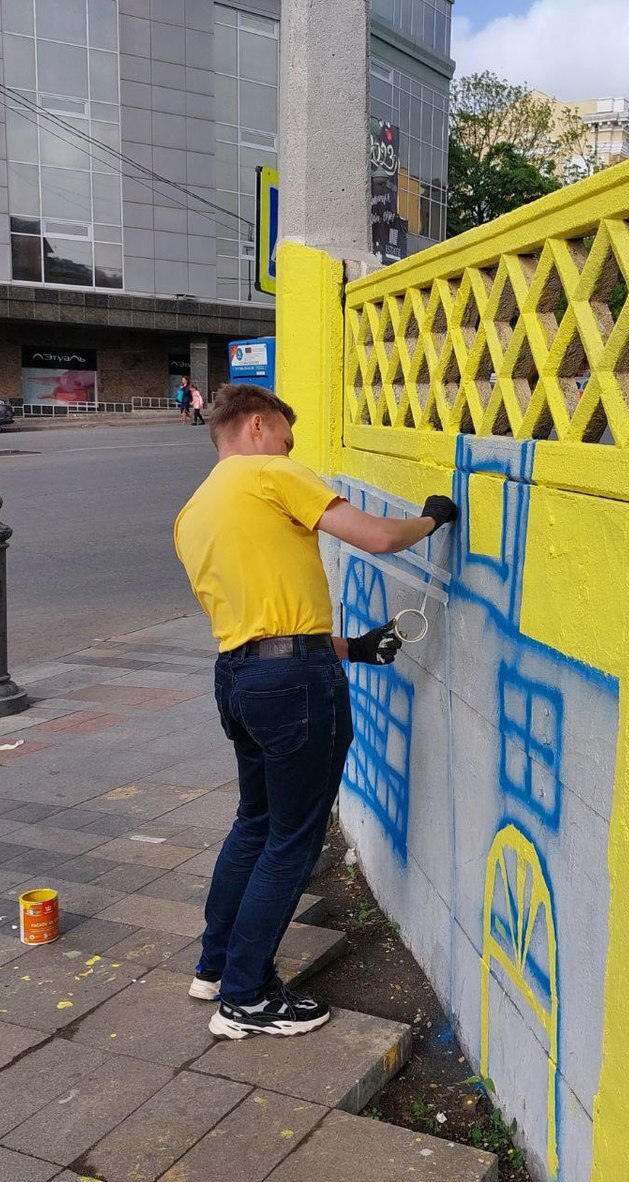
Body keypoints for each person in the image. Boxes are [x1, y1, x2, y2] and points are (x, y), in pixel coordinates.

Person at [173, 383, 457, 1039]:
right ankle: (245, 997)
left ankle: (216, 967)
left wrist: (354, 648)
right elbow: (382, 538)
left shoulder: (193, 514)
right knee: (292, 842)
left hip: (239, 679)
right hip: (295, 687)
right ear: (254, 426)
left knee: (256, 823)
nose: (288, 448)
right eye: (284, 435)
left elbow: (261, 625)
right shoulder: (271, 474)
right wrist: (433, 519)